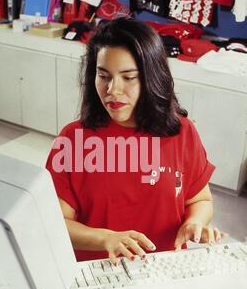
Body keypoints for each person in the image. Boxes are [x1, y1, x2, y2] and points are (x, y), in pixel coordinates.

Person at [46, 17, 226, 265]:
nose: (112, 90)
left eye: (128, 77)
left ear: (151, 78)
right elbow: (56, 222)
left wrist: (195, 222)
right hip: (98, 272)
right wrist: (104, 239)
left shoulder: (181, 132)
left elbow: (200, 200)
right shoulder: (73, 139)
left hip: (164, 269)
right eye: (103, 76)